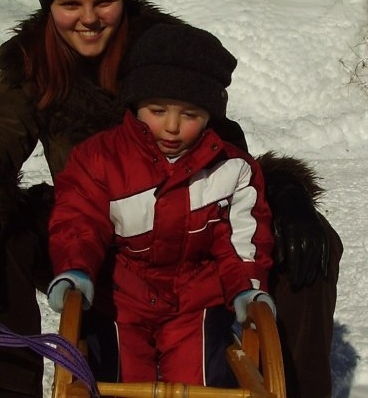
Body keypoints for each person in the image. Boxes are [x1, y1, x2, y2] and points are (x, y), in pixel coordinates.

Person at [0, 0, 343, 397]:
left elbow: (217, 147)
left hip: (175, 234)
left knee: (309, 240)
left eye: (104, 1)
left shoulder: (161, 46)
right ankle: (2, 389)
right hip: (86, 232)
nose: (88, 18)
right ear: (48, 5)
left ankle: (294, 385)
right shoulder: (32, 61)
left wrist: (285, 190)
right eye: (70, 3)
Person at [46, 22, 276, 386]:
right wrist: (76, 268)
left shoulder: (231, 169)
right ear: (135, 102)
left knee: (199, 382)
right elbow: (80, 220)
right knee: (119, 383)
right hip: (121, 298)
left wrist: (247, 287)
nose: (171, 126)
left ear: (209, 115)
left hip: (194, 302)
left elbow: (239, 240)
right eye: (157, 110)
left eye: (189, 115)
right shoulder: (100, 159)